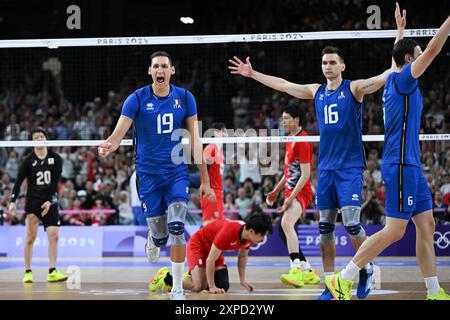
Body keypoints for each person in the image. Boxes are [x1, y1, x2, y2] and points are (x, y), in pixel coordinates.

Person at [228, 4, 406, 299]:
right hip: (326, 170)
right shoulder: (316, 91)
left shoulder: (354, 89)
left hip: (349, 167)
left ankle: (365, 268)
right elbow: (284, 85)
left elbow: (390, 72)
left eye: (333, 62)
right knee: (324, 231)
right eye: (324, 62)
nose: (327, 66)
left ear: (342, 66)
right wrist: (252, 73)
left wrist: (399, 33)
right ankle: (331, 284)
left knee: (350, 224)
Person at [325, 12, 450, 300]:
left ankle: (433, 291)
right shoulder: (405, 80)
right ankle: (343, 279)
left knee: (427, 225)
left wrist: (400, 31)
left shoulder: (394, 76)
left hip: (412, 165)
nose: (422, 59)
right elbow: (433, 49)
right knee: (395, 230)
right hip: (401, 163)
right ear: (410, 61)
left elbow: (396, 58)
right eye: (415, 56)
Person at [98, 51, 214, 298]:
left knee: (177, 226)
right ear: (150, 71)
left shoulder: (185, 98)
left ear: (172, 70)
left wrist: (205, 179)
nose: (160, 71)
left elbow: (195, 140)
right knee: (161, 237)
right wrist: (109, 144)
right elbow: (119, 134)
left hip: (176, 172)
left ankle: (178, 289)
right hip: (148, 174)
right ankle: (153, 239)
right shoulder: (136, 99)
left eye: (164, 66)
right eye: (156, 67)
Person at [149, 209, 273, 294]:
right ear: (251, 231)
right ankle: (165, 278)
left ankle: (194, 274)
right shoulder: (229, 231)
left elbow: (242, 257)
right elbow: (210, 260)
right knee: (198, 286)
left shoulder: (248, 237)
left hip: (214, 250)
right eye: (262, 235)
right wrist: (212, 287)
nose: (262, 239)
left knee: (223, 286)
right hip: (199, 245)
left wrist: (242, 280)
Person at [266, 105, 320, 287]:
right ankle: (308, 271)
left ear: (297, 120)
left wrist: (291, 197)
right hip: (290, 190)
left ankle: (295, 270)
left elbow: (305, 174)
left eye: (286, 118)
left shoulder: (303, 140)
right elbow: (289, 172)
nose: (283, 121)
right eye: (283, 118)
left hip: (302, 191)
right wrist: (276, 191)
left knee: (286, 224)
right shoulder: (289, 138)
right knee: (283, 230)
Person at [8, 127, 68, 283]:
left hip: (51, 201)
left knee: (54, 236)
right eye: (36, 137)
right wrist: (12, 201)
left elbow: (55, 183)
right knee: (30, 238)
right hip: (33, 202)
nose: (39, 139)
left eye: (41, 136)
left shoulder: (56, 158)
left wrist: (49, 200)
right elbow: (18, 181)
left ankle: (52, 271)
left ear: (46, 138)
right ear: (32, 141)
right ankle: (28, 272)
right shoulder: (28, 160)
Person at [201, 123, 227, 225]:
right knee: (209, 228)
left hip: (218, 194)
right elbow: (204, 169)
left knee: (218, 230)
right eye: (224, 132)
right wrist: (209, 189)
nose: (226, 135)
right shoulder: (210, 148)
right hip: (210, 193)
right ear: (216, 133)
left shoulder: (220, 153)